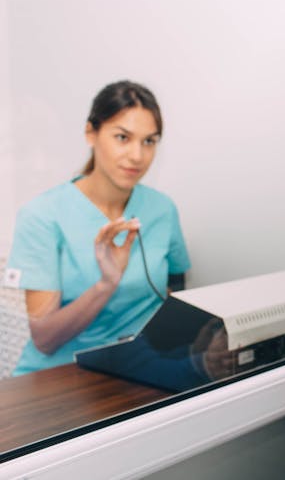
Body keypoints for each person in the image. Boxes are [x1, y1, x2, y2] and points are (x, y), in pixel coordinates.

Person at [5, 81, 191, 375]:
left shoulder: (162, 209)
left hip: (137, 370)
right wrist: (106, 284)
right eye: (122, 137)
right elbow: (44, 340)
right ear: (91, 133)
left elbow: (178, 284)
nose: (137, 156)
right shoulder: (42, 216)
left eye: (149, 141)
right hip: (58, 378)